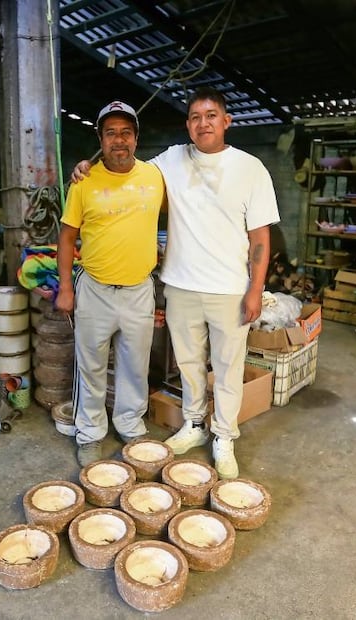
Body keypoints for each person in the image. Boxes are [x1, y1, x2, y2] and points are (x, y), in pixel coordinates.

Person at [73, 87, 279, 478]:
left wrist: (255, 289)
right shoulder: (170, 160)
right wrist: (87, 165)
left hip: (229, 287)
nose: (204, 123)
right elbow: (124, 166)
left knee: (228, 365)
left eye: (211, 115)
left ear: (226, 121)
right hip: (181, 285)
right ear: (188, 125)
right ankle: (195, 425)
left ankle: (224, 436)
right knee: (188, 363)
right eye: (196, 117)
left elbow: (261, 238)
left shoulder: (251, 169)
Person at [57, 101, 166, 467]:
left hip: (139, 290)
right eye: (110, 133)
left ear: (136, 138)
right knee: (90, 367)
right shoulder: (84, 183)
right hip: (95, 290)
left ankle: (130, 425)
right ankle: (89, 433)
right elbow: (67, 237)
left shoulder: (155, 177)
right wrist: (66, 289)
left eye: (125, 132)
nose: (119, 140)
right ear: (100, 139)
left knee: (135, 366)